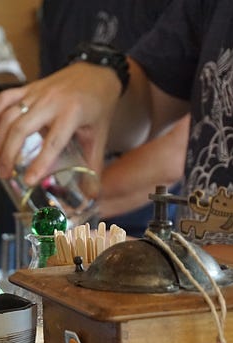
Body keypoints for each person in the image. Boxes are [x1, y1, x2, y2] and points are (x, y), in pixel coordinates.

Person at [0, 0, 233, 246]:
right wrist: (103, 80)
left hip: (154, 231)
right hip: (195, 261)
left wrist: (82, 208)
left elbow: (176, 149)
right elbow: (154, 102)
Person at [38, 0, 187, 238]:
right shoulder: (60, 7)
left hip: (150, 225)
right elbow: (54, 117)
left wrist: (78, 210)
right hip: (74, 210)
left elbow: (177, 150)